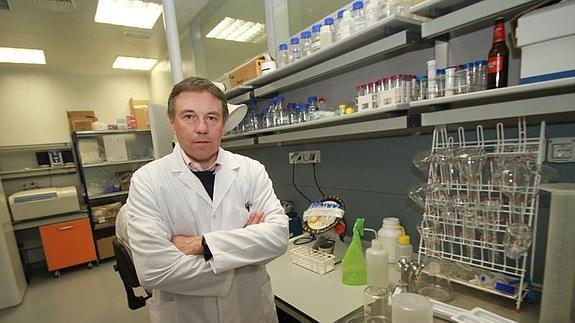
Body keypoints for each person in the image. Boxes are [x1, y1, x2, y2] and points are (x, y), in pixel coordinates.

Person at [126, 77, 289, 323]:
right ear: (172, 123)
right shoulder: (147, 180)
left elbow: (277, 238)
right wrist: (243, 251)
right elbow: (154, 271)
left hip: (251, 311)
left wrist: (204, 245)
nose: (202, 127)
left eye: (212, 117)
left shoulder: (251, 170)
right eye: (189, 116)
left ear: (222, 124)